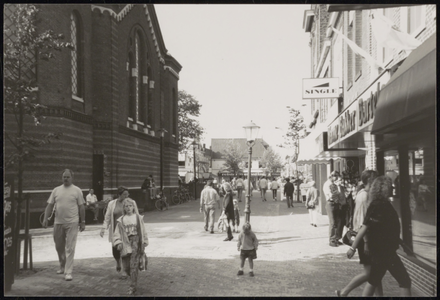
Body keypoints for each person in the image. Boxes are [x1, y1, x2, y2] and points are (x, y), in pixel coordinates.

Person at [346, 176, 412, 297]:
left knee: (373, 281)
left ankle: (344, 292)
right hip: (384, 251)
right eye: (390, 186)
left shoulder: (381, 204)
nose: (392, 188)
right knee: (404, 281)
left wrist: (401, 243)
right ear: (383, 189)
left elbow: (387, 228)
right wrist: (353, 248)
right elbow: (364, 227)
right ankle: (344, 292)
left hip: (382, 250)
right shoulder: (378, 205)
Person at [337, 170, 382, 297]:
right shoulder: (364, 196)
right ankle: (344, 292)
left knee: (376, 273)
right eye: (376, 179)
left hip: (365, 237)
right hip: (365, 238)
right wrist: (366, 242)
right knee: (370, 273)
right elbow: (364, 222)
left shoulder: (365, 194)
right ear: (370, 181)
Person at [42, 169, 85, 281]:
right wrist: (46, 219)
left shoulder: (77, 190)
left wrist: (83, 221)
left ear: (72, 178)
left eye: (68, 177)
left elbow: (81, 206)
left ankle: (68, 271)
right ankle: (62, 265)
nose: (65, 179)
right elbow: (50, 205)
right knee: (59, 246)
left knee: (70, 247)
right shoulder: (56, 190)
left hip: (72, 222)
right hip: (58, 222)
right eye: (64, 177)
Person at [113, 198, 149, 295]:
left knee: (134, 265)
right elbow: (117, 233)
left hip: (136, 242)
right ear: (123, 208)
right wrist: (118, 242)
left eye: (130, 206)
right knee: (127, 266)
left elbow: (143, 230)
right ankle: (131, 277)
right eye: (126, 206)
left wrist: (145, 241)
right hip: (126, 243)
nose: (128, 208)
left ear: (133, 207)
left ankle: (132, 286)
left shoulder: (138, 218)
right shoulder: (121, 220)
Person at [100, 186, 130, 278]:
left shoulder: (129, 203)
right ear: (119, 194)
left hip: (126, 231)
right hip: (115, 231)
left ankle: (125, 271)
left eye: (127, 194)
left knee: (125, 251)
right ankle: (118, 262)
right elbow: (108, 216)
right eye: (124, 194)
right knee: (115, 251)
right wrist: (103, 228)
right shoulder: (112, 204)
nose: (126, 196)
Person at [323, 171, 341, 247]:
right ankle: (332, 240)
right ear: (331, 176)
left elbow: (339, 193)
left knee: (337, 222)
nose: (336, 178)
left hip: (336, 203)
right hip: (330, 203)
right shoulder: (327, 184)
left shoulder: (335, 184)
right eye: (335, 177)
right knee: (332, 222)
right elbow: (331, 195)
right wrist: (337, 194)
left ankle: (336, 238)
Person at [335, 178, 348, 245]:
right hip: (338, 207)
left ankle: (339, 237)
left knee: (342, 223)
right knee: (338, 223)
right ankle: (336, 238)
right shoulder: (334, 187)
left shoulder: (342, 187)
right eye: (340, 180)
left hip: (343, 206)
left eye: (341, 180)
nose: (341, 181)